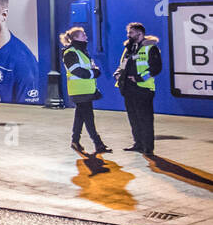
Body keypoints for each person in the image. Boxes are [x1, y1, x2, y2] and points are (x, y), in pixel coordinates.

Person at [114, 21, 161, 156]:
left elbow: (156, 68)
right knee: (133, 118)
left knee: (145, 119)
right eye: (128, 32)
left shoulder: (151, 48)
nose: (128, 35)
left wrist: (139, 78)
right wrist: (117, 74)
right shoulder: (128, 48)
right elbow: (122, 65)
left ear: (140, 33)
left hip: (143, 89)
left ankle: (148, 147)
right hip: (128, 89)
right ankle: (138, 144)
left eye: (131, 32)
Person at [61, 26, 109, 154]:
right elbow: (77, 71)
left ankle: (75, 141)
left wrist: (94, 71)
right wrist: (94, 73)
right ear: (75, 38)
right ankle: (98, 144)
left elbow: (90, 68)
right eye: (83, 35)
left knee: (80, 117)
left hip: (85, 90)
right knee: (88, 118)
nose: (86, 37)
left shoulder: (82, 52)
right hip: (79, 91)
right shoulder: (70, 53)